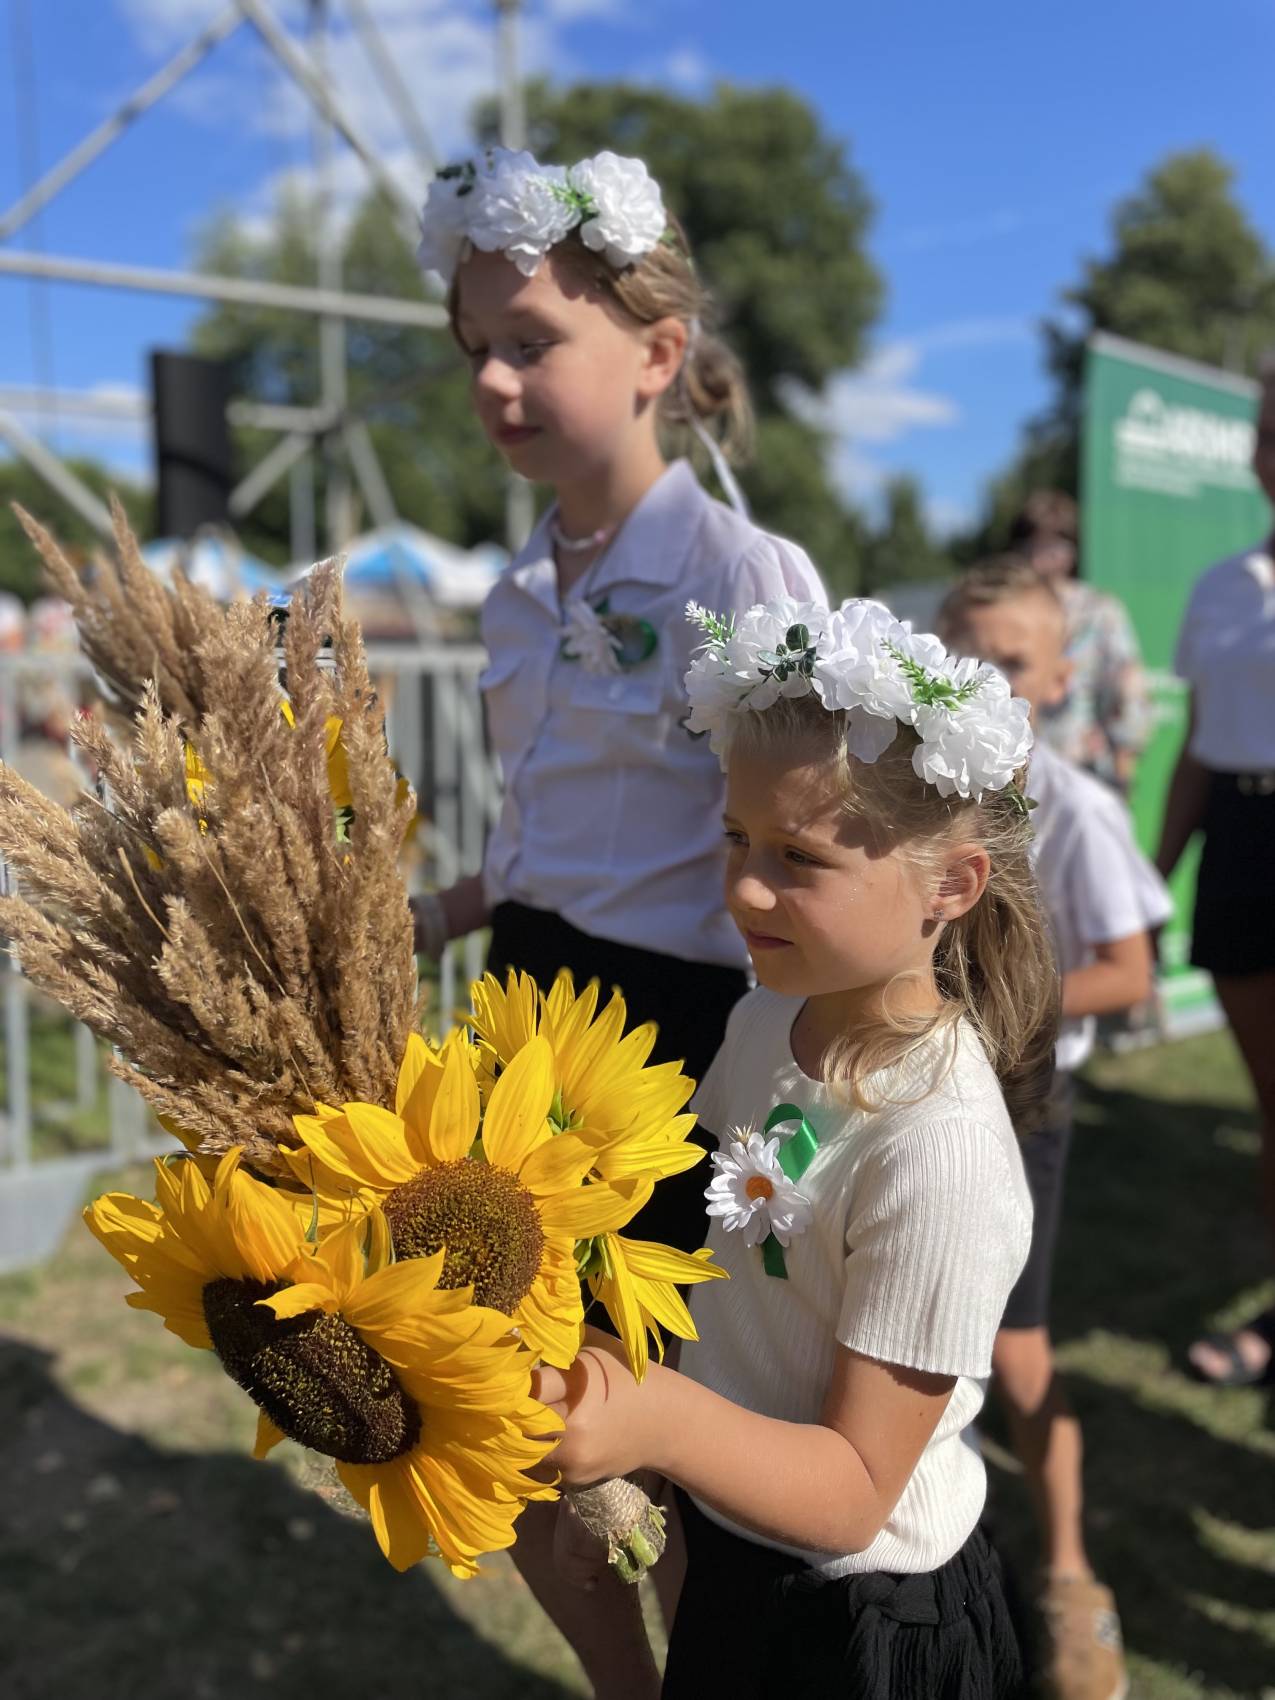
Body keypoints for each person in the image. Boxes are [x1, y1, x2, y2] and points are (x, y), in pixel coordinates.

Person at [412, 148, 824, 1699]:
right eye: (476, 348)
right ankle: (622, 1687)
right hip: (525, 1021)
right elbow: (550, 847)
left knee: (663, 1424)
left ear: (655, 354)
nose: (493, 380)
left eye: (530, 341)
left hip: (683, 1046)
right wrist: (427, 913)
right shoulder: (514, 591)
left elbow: (803, 848)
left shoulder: (737, 573)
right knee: (503, 1408)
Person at [534, 595, 1058, 1699]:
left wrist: (659, 1422)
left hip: (864, 1620)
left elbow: (855, 1489)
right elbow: (725, 1282)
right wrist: (641, 1463)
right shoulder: (762, 1021)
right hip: (735, 1549)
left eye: (799, 857)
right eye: (736, 837)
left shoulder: (941, 1150)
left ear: (950, 886)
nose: (743, 886)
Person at [939, 559, 1171, 1700]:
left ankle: (1070, 1576)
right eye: (962, 658)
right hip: (922, 1094)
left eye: (1012, 661)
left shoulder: (1074, 808)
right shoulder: (910, 797)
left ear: (1059, 678)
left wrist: (996, 1003)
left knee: (1017, 1348)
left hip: (1023, 1098)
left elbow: (1131, 971)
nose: (985, 680)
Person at [1157, 364, 1275, 1389]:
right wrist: (1154, 880)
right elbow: (1198, 745)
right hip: (1240, 834)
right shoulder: (1221, 587)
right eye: (1270, 432)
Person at [1009, 491, 1150, 796]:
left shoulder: (1099, 611)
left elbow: (1128, 692)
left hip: (1085, 771)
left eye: (1052, 546)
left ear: (1072, 550)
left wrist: (1123, 773)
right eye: (1031, 546)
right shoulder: (1006, 612)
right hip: (1013, 775)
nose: (1039, 558)